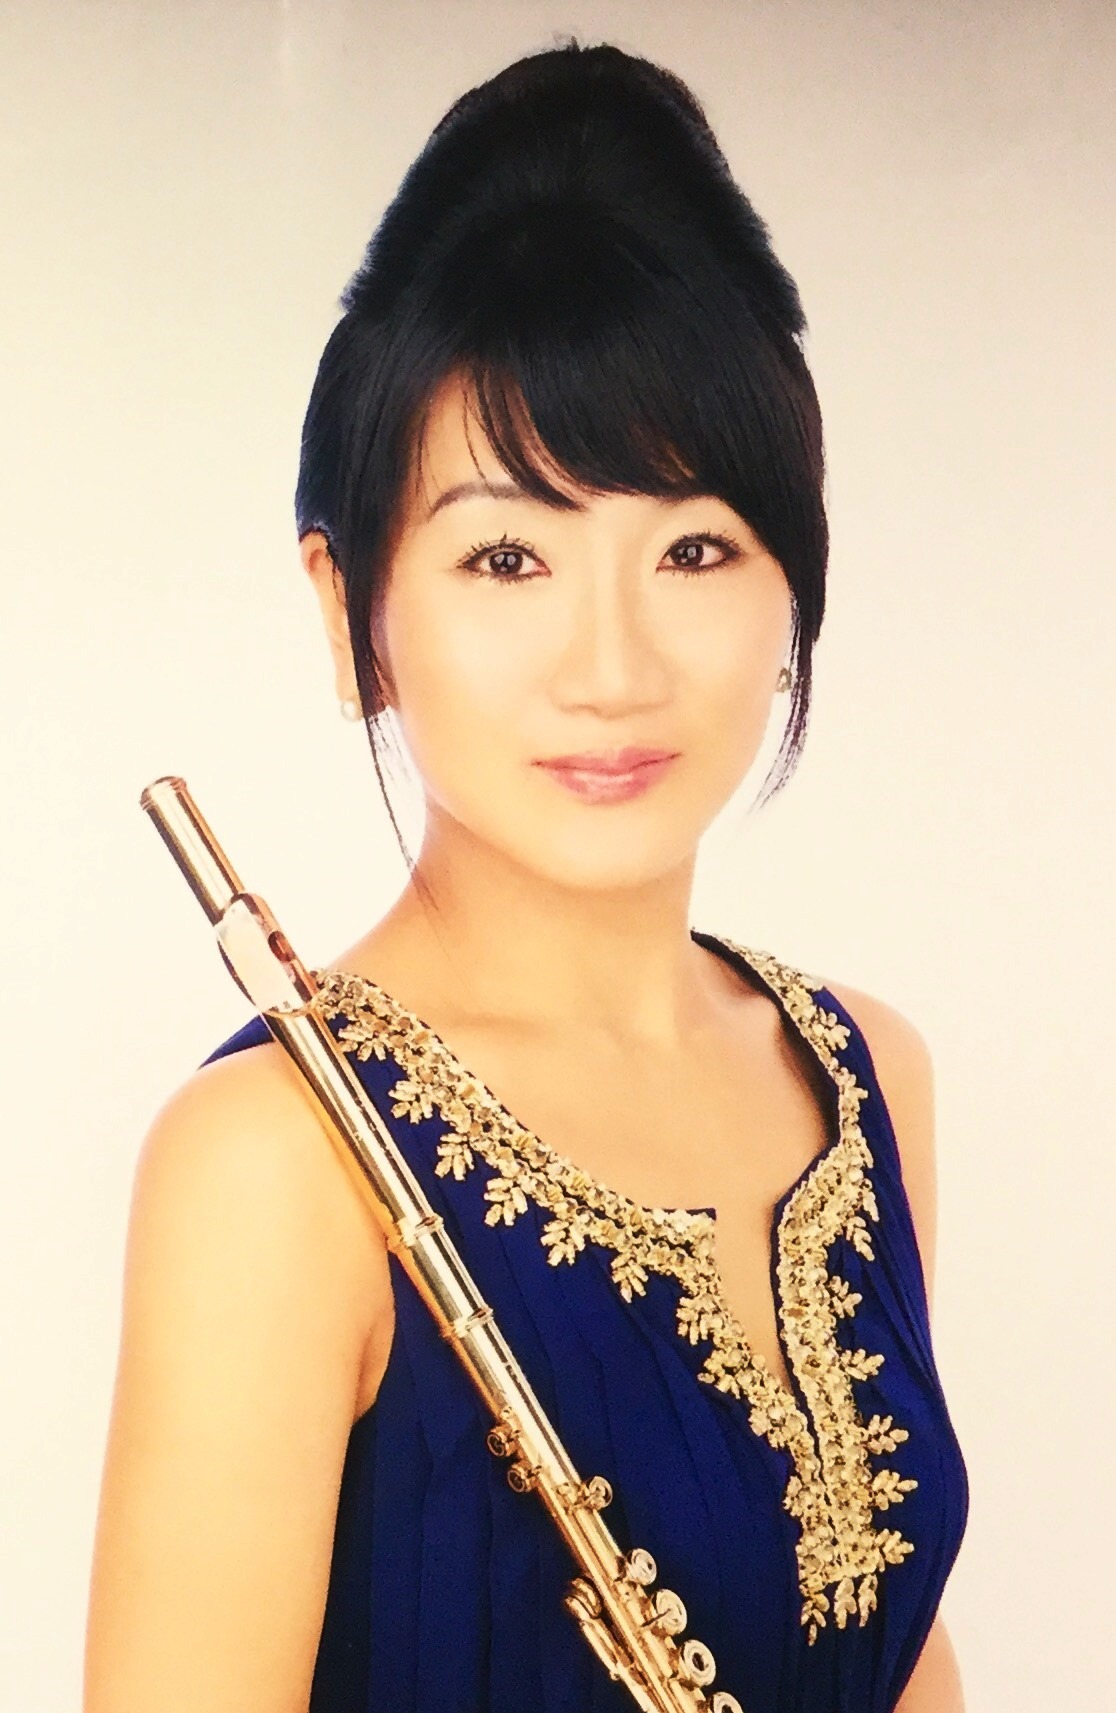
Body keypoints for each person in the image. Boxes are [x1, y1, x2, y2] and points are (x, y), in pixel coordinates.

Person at [85, 37, 968, 1713]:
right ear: (353, 609)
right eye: (507, 555)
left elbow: (899, 1652)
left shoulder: (868, 1076)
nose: (613, 666)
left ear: (790, 583)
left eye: (694, 547)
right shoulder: (271, 1166)